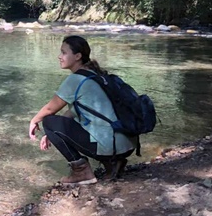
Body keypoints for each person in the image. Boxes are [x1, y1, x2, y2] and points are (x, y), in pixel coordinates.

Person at [28, 36, 137, 185]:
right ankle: (113, 164)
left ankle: (82, 172)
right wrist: (53, 133)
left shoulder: (76, 80)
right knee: (54, 124)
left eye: (63, 52)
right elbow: (75, 111)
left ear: (78, 56)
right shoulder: (95, 74)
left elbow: (49, 109)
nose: (59, 56)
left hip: (111, 147)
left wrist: (35, 121)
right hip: (126, 145)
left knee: (48, 120)